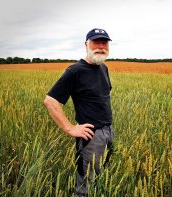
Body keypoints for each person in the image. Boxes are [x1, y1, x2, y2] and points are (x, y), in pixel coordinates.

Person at [43, 28, 115, 196]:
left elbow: (105, 94)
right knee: (85, 185)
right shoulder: (75, 70)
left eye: (104, 43)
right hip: (91, 137)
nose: (100, 46)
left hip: (108, 131)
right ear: (86, 44)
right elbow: (50, 100)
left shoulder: (103, 68)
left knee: (101, 177)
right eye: (96, 42)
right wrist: (69, 128)